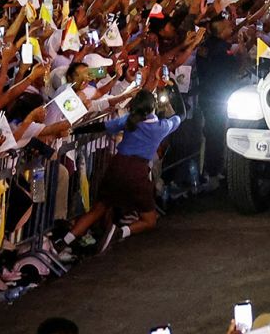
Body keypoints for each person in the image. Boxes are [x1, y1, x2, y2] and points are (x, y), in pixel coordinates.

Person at [64, 90, 182, 253]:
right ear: (153, 106)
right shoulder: (161, 127)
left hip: (117, 166)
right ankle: (120, 232)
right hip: (137, 172)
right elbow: (178, 117)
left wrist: (73, 130)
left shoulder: (129, 120)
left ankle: (63, 242)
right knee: (149, 220)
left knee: (98, 209)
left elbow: (101, 126)